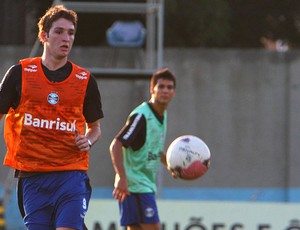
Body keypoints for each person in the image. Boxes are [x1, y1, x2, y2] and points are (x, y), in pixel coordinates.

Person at [0, 5, 103, 230]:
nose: (66, 38)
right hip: (32, 178)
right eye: (59, 31)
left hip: (71, 174)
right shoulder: (19, 74)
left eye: (71, 33)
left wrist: (88, 140)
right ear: (43, 35)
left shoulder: (85, 80)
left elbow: (94, 128)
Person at [109, 68, 176, 230]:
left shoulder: (162, 115)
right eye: (161, 87)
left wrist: (172, 165)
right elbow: (116, 145)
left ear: (174, 92)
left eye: (169, 87)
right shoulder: (142, 116)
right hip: (135, 185)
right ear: (152, 89)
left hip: (139, 185)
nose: (165, 91)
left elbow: (154, 149)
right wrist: (122, 178)